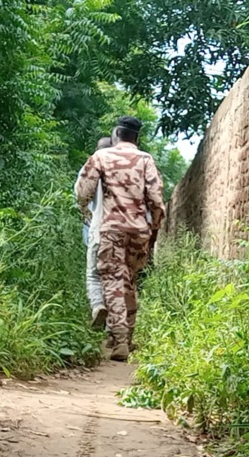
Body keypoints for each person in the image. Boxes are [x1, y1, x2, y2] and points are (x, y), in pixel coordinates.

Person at [74, 116, 165, 361]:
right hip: (139, 231)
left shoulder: (101, 157)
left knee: (113, 281)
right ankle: (127, 337)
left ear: (116, 134)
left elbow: (83, 192)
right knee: (129, 281)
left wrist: (87, 210)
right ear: (137, 137)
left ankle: (120, 339)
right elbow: (156, 200)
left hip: (110, 230)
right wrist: (153, 229)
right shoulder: (146, 160)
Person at [75, 137, 112, 329]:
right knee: (116, 279)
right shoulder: (127, 163)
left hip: (97, 229)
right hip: (126, 232)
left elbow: (80, 194)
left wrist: (87, 211)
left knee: (94, 275)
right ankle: (113, 326)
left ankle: (98, 306)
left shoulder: (92, 164)